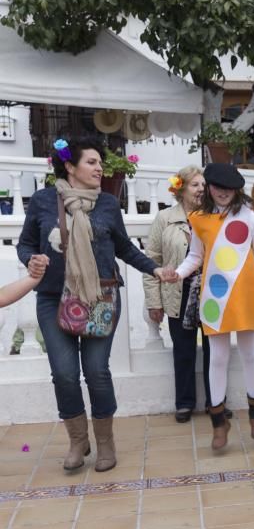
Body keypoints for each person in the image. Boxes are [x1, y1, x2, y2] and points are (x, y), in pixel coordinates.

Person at [17, 137, 176, 473]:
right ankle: (78, 440)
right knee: (63, 374)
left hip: (100, 296)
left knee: (97, 372)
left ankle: (105, 441)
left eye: (100, 163)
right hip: (52, 298)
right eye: (91, 162)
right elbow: (26, 244)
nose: (100, 168)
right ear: (70, 167)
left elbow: (124, 248)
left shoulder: (107, 204)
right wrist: (32, 260)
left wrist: (156, 269)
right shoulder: (44, 201)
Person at [175, 163, 254, 450]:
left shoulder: (249, 218)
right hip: (214, 299)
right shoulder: (198, 219)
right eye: (218, 187)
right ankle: (218, 422)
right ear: (209, 188)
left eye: (229, 188)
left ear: (237, 190)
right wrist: (178, 273)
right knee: (218, 358)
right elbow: (195, 257)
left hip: (245, 295)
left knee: (250, 354)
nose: (223, 193)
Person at [145, 166, 224, 423]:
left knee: (216, 351)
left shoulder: (215, 216)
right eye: (195, 185)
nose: (201, 189)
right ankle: (185, 403)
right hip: (178, 292)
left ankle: (217, 402)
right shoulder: (165, 218)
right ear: (181, 189)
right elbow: (152, 261)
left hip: (212, 292)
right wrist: (154, 302)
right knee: (183, 351)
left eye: (204, 185)